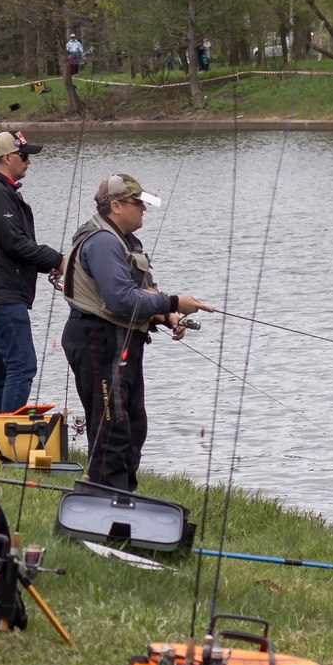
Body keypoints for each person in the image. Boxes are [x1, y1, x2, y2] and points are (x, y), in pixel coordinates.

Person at [59, 174, 205, 489]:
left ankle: (120, 492)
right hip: (98, 342)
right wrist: (174, 301)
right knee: (112, 424)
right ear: (116, 206)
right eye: (137, 203)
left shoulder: (123, 241)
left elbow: (139, 292)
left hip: (118, 342)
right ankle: (108, 495)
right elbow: (121, 299)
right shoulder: (102, 243)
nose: (143, 209)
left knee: (133, 422)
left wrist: (168, 316)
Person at [0, 129, 62, 415]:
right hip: (3, 297)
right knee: (22, 365)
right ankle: (8, 435)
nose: (28, 161)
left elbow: (12, 246)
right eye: (23, 156)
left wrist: (48, 264)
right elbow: (16, 243)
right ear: (7, 157)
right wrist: (59, 260)